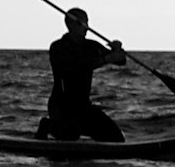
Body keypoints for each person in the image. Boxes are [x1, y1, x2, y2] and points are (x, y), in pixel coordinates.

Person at [36, 7, 128, 141]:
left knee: (116, 138)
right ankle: (48, 125)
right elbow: (77, 67)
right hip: (62, 105)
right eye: (82, 23)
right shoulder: (58, 47)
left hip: (83, 105)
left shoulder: (91, 46)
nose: (87, 28)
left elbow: (121, 61)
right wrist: (106, 59)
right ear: (70, 25)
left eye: (87, 23)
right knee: (71, 134)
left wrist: (117, 50)